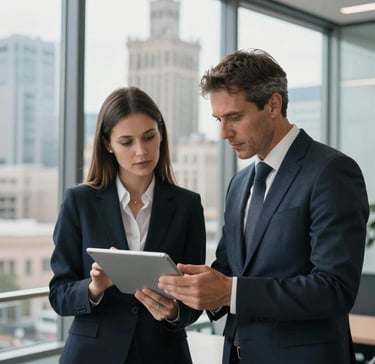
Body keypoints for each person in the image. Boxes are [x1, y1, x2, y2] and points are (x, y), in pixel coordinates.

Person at [158, 49, 369, 364]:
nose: (223, 133)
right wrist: (197, 290)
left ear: (273, 104)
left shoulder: (331, 172)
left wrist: (231, 292)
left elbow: (334, 289)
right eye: (218, 119)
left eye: (235, 117)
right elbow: (230, 270)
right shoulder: (239, 184)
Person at [49, 86, 206, 364]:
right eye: (126, 142)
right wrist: (94, 287)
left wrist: (173, 311)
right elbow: (59, 295)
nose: (141, 151)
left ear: (161, 135)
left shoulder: (187, 206)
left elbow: (194, 298)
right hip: (92, 355)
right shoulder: (80, 202)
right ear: (108, 144)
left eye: (149, 137)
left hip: (163, 354)